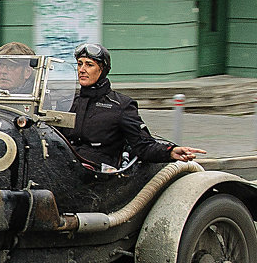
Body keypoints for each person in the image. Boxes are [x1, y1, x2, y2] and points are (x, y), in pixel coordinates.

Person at [67, 42, 205, 170]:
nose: (82, 69)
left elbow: (143, 145)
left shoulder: (120, 105)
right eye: (79, 64)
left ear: (102, 70)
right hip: (66, 165)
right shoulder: (71, 102)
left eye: (89, 65)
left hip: (98, 176)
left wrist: (170, 152)